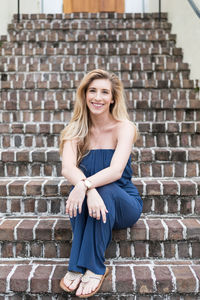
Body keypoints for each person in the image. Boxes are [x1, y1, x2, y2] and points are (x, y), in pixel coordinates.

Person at [59, 69, 143, 298]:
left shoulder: (124, 127)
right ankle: (78, 264)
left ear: (113, 98)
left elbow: (115, 171)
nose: (98, 97)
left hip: (123, 202)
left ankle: (92, 266)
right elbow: (67, 168)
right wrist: (85, 189)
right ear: (84, 95)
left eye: (104, 92)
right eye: (92, 91)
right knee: (79, 194)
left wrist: (85, 186)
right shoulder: (75, 130)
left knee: (97, 189)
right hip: (90, 200)